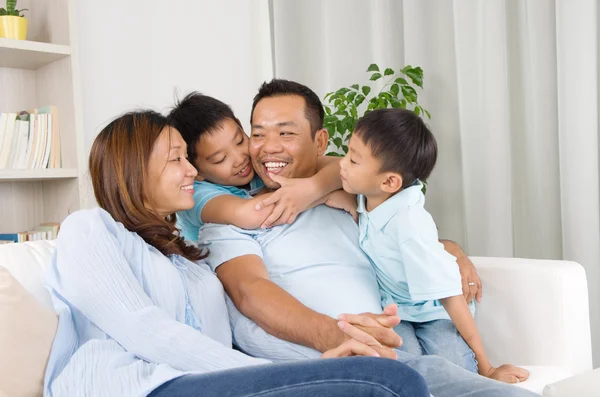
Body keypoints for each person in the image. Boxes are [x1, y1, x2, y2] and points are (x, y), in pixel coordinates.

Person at [42, 110, 429, 397]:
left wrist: (326, 358)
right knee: (388, 383)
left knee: (382, 373)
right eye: (176, 158)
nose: (192, 170)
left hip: (215, 383)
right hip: (135, 387)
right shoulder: (90, 228)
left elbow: (241, 334)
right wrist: (265, 372)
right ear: (132, 169)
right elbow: (145, 330)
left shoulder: (190, 262)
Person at [198, 79, 540, 397]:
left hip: (400, 331)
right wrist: (338, 333)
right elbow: (250, 292)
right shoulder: (229, 221)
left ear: (320, 142)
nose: (268, 148)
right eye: (258, 134)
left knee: (437, 366)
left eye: (286, 133)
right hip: (354, 354)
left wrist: (449, 250)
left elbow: (400, 235)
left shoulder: (349, 193)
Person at [338, 108, 529, 382]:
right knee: (407, 366)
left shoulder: (409, 226)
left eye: (353, 160)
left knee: (453, 370)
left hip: (435, 309)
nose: (341, 164)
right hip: (398, 311)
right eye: (348, 153)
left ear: (390, 182)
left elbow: (451, 297)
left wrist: (487, 367)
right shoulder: (370, 193)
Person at [169, 93, 352, 242]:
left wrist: (313, 187)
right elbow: (249, 214)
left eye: (240, 141)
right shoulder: (196, 193)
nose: (240, 158)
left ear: (241, 126)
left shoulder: (257, 166)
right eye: (220, 159)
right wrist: (323, 194)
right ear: (196, 171)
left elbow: (341, 166)